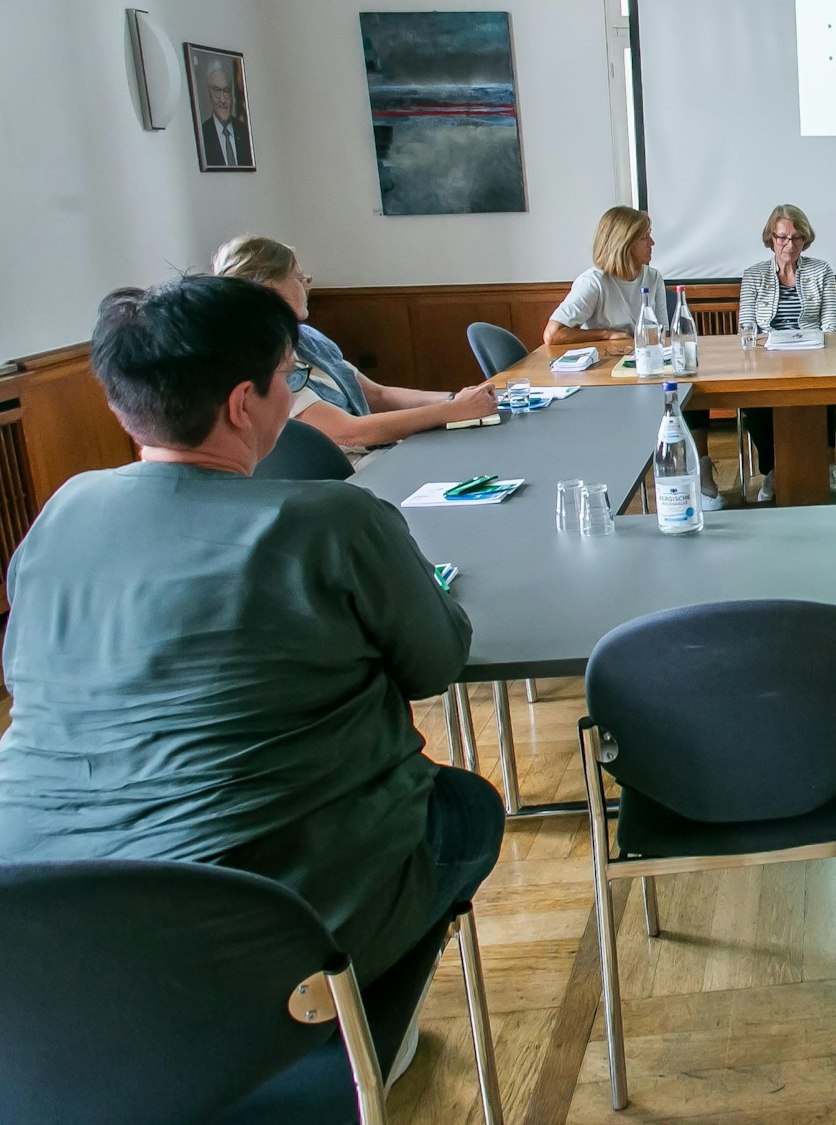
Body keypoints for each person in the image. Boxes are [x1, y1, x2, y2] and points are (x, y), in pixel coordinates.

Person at [0, 277, 504, 1013]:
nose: (290, 390)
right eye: (287, 377)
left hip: (38, 930)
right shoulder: (334, 520)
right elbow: (435, 663)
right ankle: (362, 1034)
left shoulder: (62, 510)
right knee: (464, 806)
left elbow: (25, 673)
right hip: (268, 929)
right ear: (244, 404)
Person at [213, 235, 496, 462]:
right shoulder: (262, 359)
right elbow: (350, 433)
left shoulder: (306, 338)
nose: (307, 286)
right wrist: (452, 411)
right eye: (300, 278)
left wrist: (454, 399)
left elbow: (376, 394)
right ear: (269, 287)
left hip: (380, 453)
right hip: (350, 474)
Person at [548, 206, 721, 508]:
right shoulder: (594, 282)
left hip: (649, 367)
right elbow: (553, 334)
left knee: (686, 384)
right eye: (645, 237)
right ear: (624, 242)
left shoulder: (652, 277)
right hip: (609, 380)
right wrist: (605, 335)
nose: (651, 243)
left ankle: (698, 467)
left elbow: (665, 332)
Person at [738, 204, 836, 501]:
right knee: (755, 400)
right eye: (783, 238)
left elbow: (831, 325)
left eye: (797, 238)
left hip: (814, 355)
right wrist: (769, 345)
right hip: (768, 358)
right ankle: (773, 470)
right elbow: (746, 327)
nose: (790, 245)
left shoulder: (821, 270)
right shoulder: (754, 275)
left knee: (820, 390)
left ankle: (827, 463)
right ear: (771, 238)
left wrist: (814, 345)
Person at [198, 61, 252, 168]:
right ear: (209, 93)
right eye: (217, 91)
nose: (222, 99)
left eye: (226, 91)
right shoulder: (203, 135)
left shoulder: (245, 132)